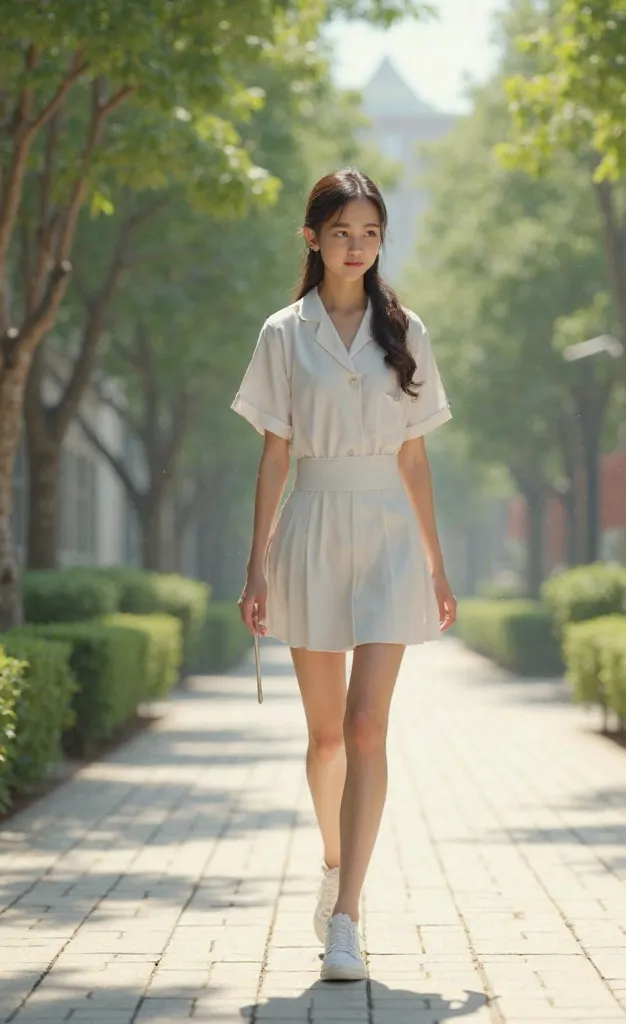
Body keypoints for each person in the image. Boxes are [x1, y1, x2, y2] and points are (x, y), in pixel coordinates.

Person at [231, 168, 456, 983]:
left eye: (370, 233)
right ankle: (335, 864)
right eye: (341, 233)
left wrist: (436, 561)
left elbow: (416, 456)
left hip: (389, 534)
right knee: (326, 738)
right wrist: (255, 565)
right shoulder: (282, 334)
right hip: (312, 526)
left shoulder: (407, 330)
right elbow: (274, 455)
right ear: (312, 238)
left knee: (367, 729)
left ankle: (348, 917)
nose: (356, 247)